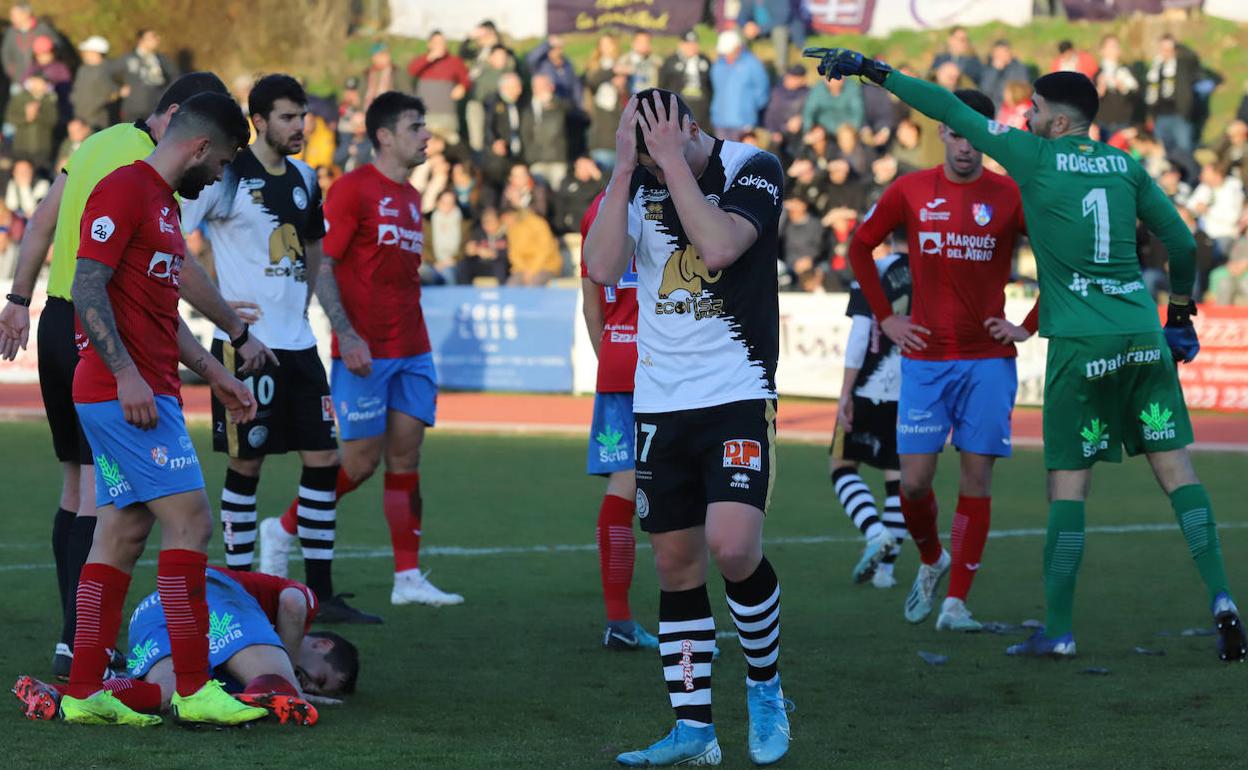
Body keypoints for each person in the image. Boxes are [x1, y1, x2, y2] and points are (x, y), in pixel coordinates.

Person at [807, 47, 1246, 661]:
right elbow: (1178, 240)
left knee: (1067, 489)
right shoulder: (1125, 167)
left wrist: (872, 71)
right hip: (1142, 338)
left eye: (1034, 108)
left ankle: (1059, 631)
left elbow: (940, 102)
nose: (1026, 115)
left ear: (1058, 121)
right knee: (1179, 473)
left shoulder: (1033, 157)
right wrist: (1178, 314)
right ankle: (1223, 597)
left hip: (1080, 346)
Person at [0, 72, 275, 682]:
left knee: (114, 524)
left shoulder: (147, 189)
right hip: (122, 379)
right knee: (190, 521)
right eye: (225, 161)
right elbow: (92, 282)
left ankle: (82, 678)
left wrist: (214, 374)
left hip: (125, 369)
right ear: (198, 143)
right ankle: (195, 686)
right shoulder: (129, 183)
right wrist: (127, 374)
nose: (221, 176)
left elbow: (158, 305)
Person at [584, 88, 791, 766]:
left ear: (690, 127)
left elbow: (721, 245)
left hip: (736, 392)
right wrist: (622, 172)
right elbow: (602, 267)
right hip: (660, 402)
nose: (651, 163)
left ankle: (765, 687)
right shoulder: (638, 180)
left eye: (660, 147)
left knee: (732, 547)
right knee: (676, 567)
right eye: (641, 153)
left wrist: (671, 161)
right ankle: (694, 729)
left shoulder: (753, 166)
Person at [178, 75, 378, 624]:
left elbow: (314, 243)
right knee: (248, 464)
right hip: (246, 347)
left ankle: (322, 591)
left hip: (299, 343)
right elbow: (173, 238)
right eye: (288, 117)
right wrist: (217, 306)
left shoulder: (306, 178)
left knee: (324, 460)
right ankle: (240, 589)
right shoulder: (226, 178)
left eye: (303, 116)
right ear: (259, 122)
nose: (300, 127)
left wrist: (303, 300)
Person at [260, 92, 464, 607]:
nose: (426, 135)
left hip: (413, 347)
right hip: (364, 351)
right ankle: (283, 529)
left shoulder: (413, 197)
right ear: (385, 136)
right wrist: (346, 334)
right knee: (359, 460)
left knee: (405, 457)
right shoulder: (353, 191)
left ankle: (407, 579)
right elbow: (323, 265)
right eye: (416, 126)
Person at [845, 87, 1036, 632]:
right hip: (926, 360)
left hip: (987, 362)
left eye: (976, 134)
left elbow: (1057, 256)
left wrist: (1028, 324)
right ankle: (932, 560)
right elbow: (860, 248)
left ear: (987, 136)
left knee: (976, 480)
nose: (965, 145)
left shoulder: (1009, 194)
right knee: (914, 485)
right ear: (942, 133)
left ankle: (956, 604)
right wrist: (886, 318)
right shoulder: (909, 190)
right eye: (956, 133)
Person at [14, 568, 358, 726]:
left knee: (165, 694)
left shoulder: (252, 634)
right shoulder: (304, 603)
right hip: (210, 592)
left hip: (151, 609)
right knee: (274, 679)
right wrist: (293, 678)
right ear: (324, 644)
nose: (314, 684)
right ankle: (274, 689)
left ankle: (56, 694)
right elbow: (294, 604)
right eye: (322, 679)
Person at [579, 190, 657, 651]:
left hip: (615, 359)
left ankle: (619, 620)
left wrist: (609, 357)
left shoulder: (596, 208)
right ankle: (688, 620)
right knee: (685, 491)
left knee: (623, 488)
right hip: (664, 363)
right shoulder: (664, 194)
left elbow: (592, 307)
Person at [830, 234, 910, 587]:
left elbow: (860, 335)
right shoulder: (935, 269)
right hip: (915, 389)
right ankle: (886, 571)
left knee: (842, 466)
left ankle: (874, 531)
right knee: (898, 479)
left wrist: (845, 392)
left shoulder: (874, 270)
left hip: (870, 388)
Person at [407, 30, 471, 143]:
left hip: (447, 115)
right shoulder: (423, 60)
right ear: (429, 44)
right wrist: (429, 58)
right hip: (425, 116)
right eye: (436, 42)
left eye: (442, 42)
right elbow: (412, 70)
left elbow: (466, 79)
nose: (440, 45)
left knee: (448, 148)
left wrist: (462, 87)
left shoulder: (454, 61)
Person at [709, 30, 769, 141]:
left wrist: (750, 109)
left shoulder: (752, 64)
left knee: (743, 157)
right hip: (720, 121)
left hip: (744, 123)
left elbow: (762, 91)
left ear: (738, 47)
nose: (726, 55)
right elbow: (716, 89)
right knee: (723, 156)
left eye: (729, 51)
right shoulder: (718, 64)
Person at [117, 29, 177, 123]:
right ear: (141, 41)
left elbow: (175, 76)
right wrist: (118, 89)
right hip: (133, 110)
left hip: (156, 109)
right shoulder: (128, 58)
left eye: (156, 37)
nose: (157, 39)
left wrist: (167, 93)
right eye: (152, 37)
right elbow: (108, 73)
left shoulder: (162, 59)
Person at [658, 31, 712, 131]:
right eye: (688, 44)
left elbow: (711, 87)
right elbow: (662, 86)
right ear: (681, 44)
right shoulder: (670, 61)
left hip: (701, 116)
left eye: (694, 43)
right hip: (677, 116)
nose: (691, 47)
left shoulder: (705, 61)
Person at [70, 36, 116, 130]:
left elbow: (110, 95)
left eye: (87, 51)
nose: (84, 54)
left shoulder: (106, 70)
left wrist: (93, 109)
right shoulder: (83, 69)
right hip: (79, 118)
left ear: (96, 53)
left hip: (97, 121)